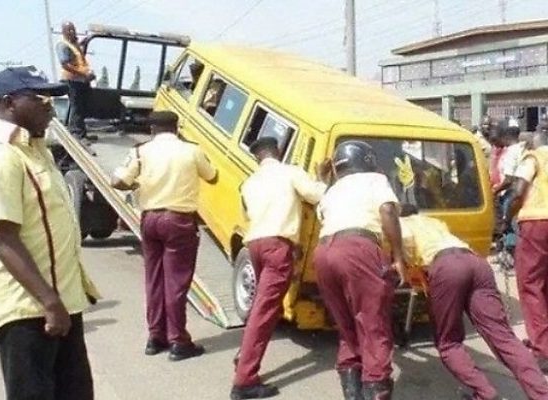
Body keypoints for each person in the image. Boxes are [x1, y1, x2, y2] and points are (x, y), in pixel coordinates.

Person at [0, 65, 99, 399]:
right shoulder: (2, 156)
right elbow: (3, 238)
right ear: (8, 103)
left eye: (52, 97)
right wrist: (49, 302)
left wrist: (61, 302)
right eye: (39, 97)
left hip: (61, 304)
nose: (50, 105)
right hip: (29, 310)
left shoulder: (37, 152)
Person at [400, 204, 548, 400]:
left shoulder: (400, 227)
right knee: (503, 337)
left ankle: (486, 394)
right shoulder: (434, 222)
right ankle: (542, 394)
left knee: (448, 343)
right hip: (476, 263)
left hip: (446, 268)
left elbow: (402, 265)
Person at [111, 111, 217, 361]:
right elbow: (212, 176)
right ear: (177, 127)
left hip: (150, 219)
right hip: (179, 220)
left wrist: (138, 185)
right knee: (176, 282)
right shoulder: (192, 150)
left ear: (151, 130)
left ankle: (155, 336)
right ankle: (178, 341)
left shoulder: (141, 151)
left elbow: (118, 181)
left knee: (154, 279)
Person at [231, 136, 328, 400]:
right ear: (279, 151)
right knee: (265, 311)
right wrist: (322, 176)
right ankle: (244, 380)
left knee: (261, 306)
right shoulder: (290, 172)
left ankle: (243, 356)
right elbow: (318, 195)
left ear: (257, 157)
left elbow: (249, 214)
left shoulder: (249, 183)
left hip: (256, 245)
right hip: (277, 248)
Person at [313, 141, 406, 400]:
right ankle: (376, 385)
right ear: (366, 160)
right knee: (373, 324)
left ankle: (353, 393)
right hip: (358, 249)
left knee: (347, 326)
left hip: (323, 252)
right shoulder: (374, 179)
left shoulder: (332, 190)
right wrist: (398, 256)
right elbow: (387, 209)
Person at [506, 130, 548, 371]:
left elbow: (518, 190)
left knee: (531, 285)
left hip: (537, 223)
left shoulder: (533, 158)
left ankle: (542, 350)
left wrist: (505, 217)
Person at [56, 21, 95, 140]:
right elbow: (65, 64)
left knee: (82, 107)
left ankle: (81, 132)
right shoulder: (62, 45)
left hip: (81, 81)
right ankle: (77, 134)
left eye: (73, 29)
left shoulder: (74, 45)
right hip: (72, 80)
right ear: (63, 32)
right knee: (76, 107)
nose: (72, 32)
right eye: (69, 30)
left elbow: (78, 57)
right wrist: (83, 73)